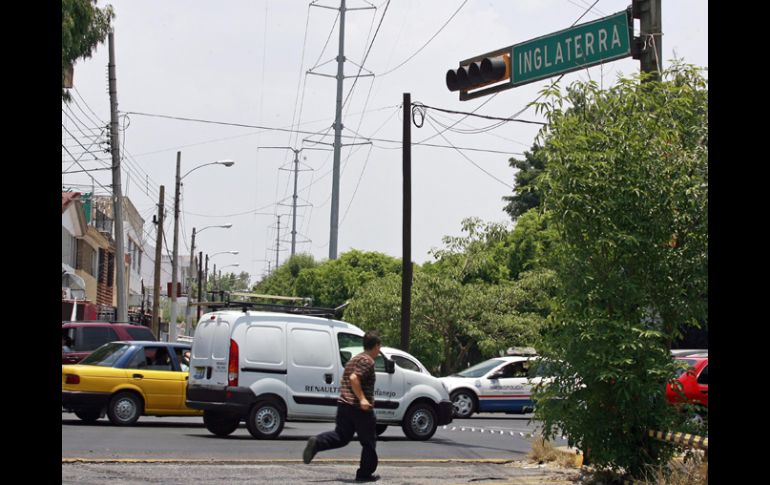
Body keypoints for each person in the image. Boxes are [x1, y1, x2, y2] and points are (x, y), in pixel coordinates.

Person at [303, 331, 382, 482]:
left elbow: (345, 379)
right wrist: (363, 399)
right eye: (379, 347)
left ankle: (318, 442)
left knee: (341, 436)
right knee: (369, 442)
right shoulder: (367, 361)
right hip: (359, 409)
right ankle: (364, 474)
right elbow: (353, 378)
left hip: (344, 405)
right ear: (376, 346)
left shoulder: (354, 359)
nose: (379, 351)